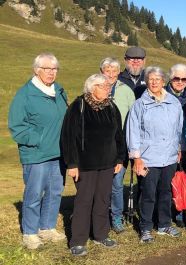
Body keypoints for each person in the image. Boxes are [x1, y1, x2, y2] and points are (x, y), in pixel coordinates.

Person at [61, 74, 125, 256]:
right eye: (103, 86)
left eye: (107, 85)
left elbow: (118, 135)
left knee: (103, 200)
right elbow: (68, 137)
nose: (107, 88)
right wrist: (72, 163)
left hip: (107, 163)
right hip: (85, 165)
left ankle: (101, 234)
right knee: (84, 201)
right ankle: (78, 241)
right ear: (91, 88)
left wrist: (120, 158)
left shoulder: (111, 107)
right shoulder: (78, 106)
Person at [9, 53, 68, 250]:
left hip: (58, 153)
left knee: (55, 192)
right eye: (46, 69)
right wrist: (39, 140)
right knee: (34, 194)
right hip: (36, 155)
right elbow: (17, 126)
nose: (51, 73)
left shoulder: (59, 90)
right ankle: (30, 232)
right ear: (36, 70)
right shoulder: (25, 94)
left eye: (54, 69)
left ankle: (47, 227)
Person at [126, 66, 183, 243]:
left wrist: (178, 148)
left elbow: (178, 128)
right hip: (148, 158)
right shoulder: (139, 105)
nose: (154, 82)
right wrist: (137, 157)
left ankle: (164, 224)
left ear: (163, 81)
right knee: (148, 193)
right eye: (150, 79)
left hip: (169, 157)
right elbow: (132, 131)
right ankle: (145, 227)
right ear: (146, 81)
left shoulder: (174, 103)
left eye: (157, 79)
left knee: (165, 191)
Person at [99, 57, 135, 234]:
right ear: (101, 72)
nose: (111, 74)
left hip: (119, 146)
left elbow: (133, 119)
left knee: (117, 184)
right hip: (98, 147)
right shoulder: (94, 88)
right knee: (99, 184)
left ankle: (116, 217)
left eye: (114, 70)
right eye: (107, 70)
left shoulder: (126, 91)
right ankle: (100, 216)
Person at [166, 63, 186, 228]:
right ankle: (164, 212)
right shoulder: (163, 93)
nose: (180, 82)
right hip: (166, 144)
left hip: (185, 144)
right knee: (166, 181)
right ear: (170, 79)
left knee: (182, 179)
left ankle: (180, 213)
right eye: (176, 78)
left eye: (183, 79)